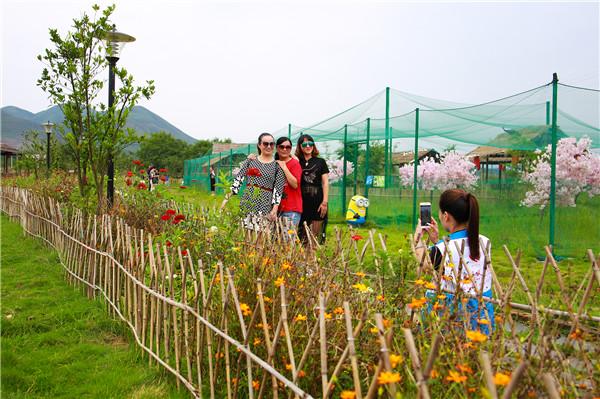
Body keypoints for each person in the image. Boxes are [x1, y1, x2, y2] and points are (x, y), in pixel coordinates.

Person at [413, 189, 494, 334]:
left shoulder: (443, 249)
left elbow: (424, 264)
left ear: (445, 216)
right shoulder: (484, 241)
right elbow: (455, 260)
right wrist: (437, 241)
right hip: (481, 317)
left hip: (452, 320)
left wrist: (418, 236)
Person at [221, 133, 285, 230]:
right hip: (247, 202)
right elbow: (238, 180)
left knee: (260, 239)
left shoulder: (277, 166)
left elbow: (278, 190)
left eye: (271, 144)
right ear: (259, 145)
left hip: (265, 205)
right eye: (265, 144)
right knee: (244, 237)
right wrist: (226, 199)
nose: (269, 146)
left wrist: (274, 209)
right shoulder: (250, 161)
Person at [296, 134, 329, 243]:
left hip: (318, 204)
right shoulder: (296, 162)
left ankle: (311, 260)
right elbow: (279, 157)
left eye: (310, 143)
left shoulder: (320, 162)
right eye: (305, 144)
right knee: (302, 239)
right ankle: (302, 260)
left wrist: (324, 202)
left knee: (313, 239)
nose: (308, 146)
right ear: (300, 146)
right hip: (301, 205)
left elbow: (325, 182)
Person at [274, 137, 303, 230]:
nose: (284, 149)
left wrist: (284, 167)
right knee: (275, 242)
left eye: (288, 147)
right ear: (277, 148)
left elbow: (295, 184)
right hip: (275, 209)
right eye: (281, 147)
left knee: (287, 241)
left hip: (291, 209)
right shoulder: (273, 164)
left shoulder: (294, 163)